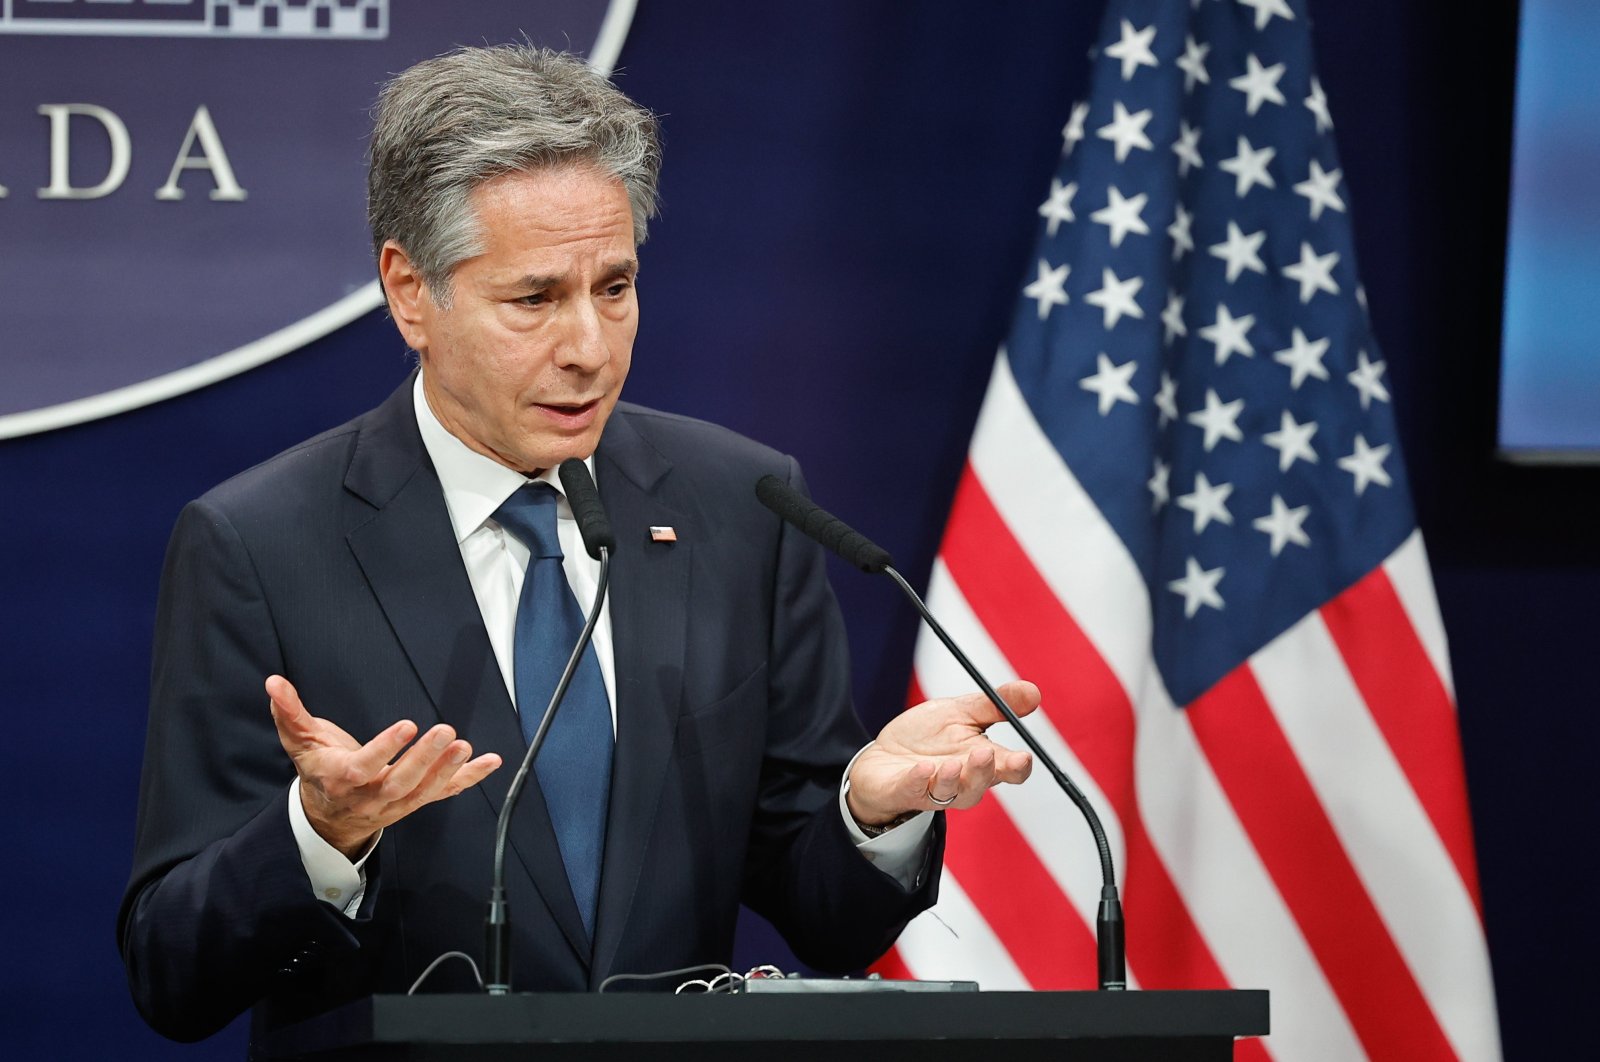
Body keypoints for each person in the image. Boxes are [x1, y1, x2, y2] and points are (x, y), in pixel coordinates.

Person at [118, 44, 1040, 1046]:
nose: (589, 348)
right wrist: (319, 837)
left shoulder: (742, 507)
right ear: (408, 291)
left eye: (614, 287)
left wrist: (870, 813)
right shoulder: (260, 545)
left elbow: (831, 917)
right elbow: (173, 972)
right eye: (535, 299)